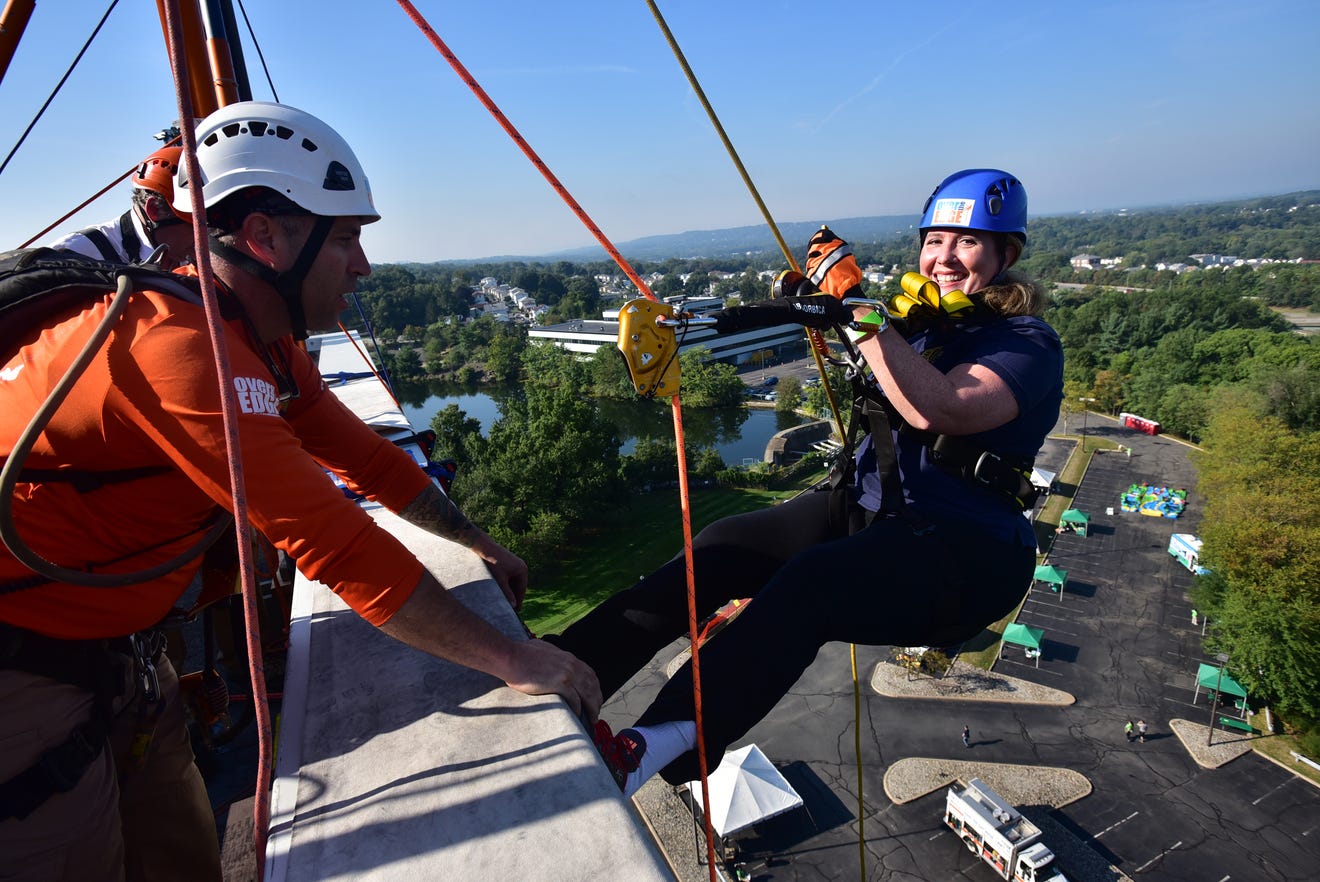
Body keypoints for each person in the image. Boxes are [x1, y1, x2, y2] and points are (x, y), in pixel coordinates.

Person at [0, 101, 599, 880]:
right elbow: (337, 545)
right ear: (264, 238)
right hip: (23, 672)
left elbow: (371, 463)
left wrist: (475, 541)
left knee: (183, 857)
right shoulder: (183, 351)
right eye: (347, 237)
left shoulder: (263, 345)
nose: (364, 265)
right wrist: (511, 658)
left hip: (113, 652)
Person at [554, 169, 1064, 797]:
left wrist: (859, 313)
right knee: (722, 546)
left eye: (966, 243)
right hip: (872, 509)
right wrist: (801, 302)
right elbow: (860, 340)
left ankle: (652, 747)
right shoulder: (921, 325)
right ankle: (569, 664)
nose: (944, 258)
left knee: (810, 585)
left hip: (965, 552)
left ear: (1004, 255)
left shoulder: (1025, 343)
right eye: (935, 241)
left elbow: (946, 408)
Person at [47, 145, 196, 269]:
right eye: (196, 226)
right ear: (154, 210)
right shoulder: (77, 254)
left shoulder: (180, 252)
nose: (205, 238)